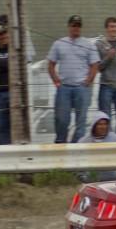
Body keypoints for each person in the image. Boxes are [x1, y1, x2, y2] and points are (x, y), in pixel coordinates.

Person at [47, 15, 99, 143]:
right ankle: (60, 144)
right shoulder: (59, 43)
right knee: (62, 120)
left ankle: (77, 146)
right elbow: (51, 64)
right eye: (73, 25)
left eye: (78, 25)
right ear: (69, 26)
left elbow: (95, 65)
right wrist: (56, 81)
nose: (76, 28)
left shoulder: (88, 44)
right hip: (64, 88)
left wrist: (89, 81)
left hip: (82, 88)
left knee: (81, 122)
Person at [95, 17, 116, 139]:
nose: (114, 29)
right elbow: (98, 67)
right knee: (105, 119)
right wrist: (109, 57)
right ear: (106, 29)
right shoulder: (99, 44)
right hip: (106, 86)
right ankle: (106, 144)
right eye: (111, 26)